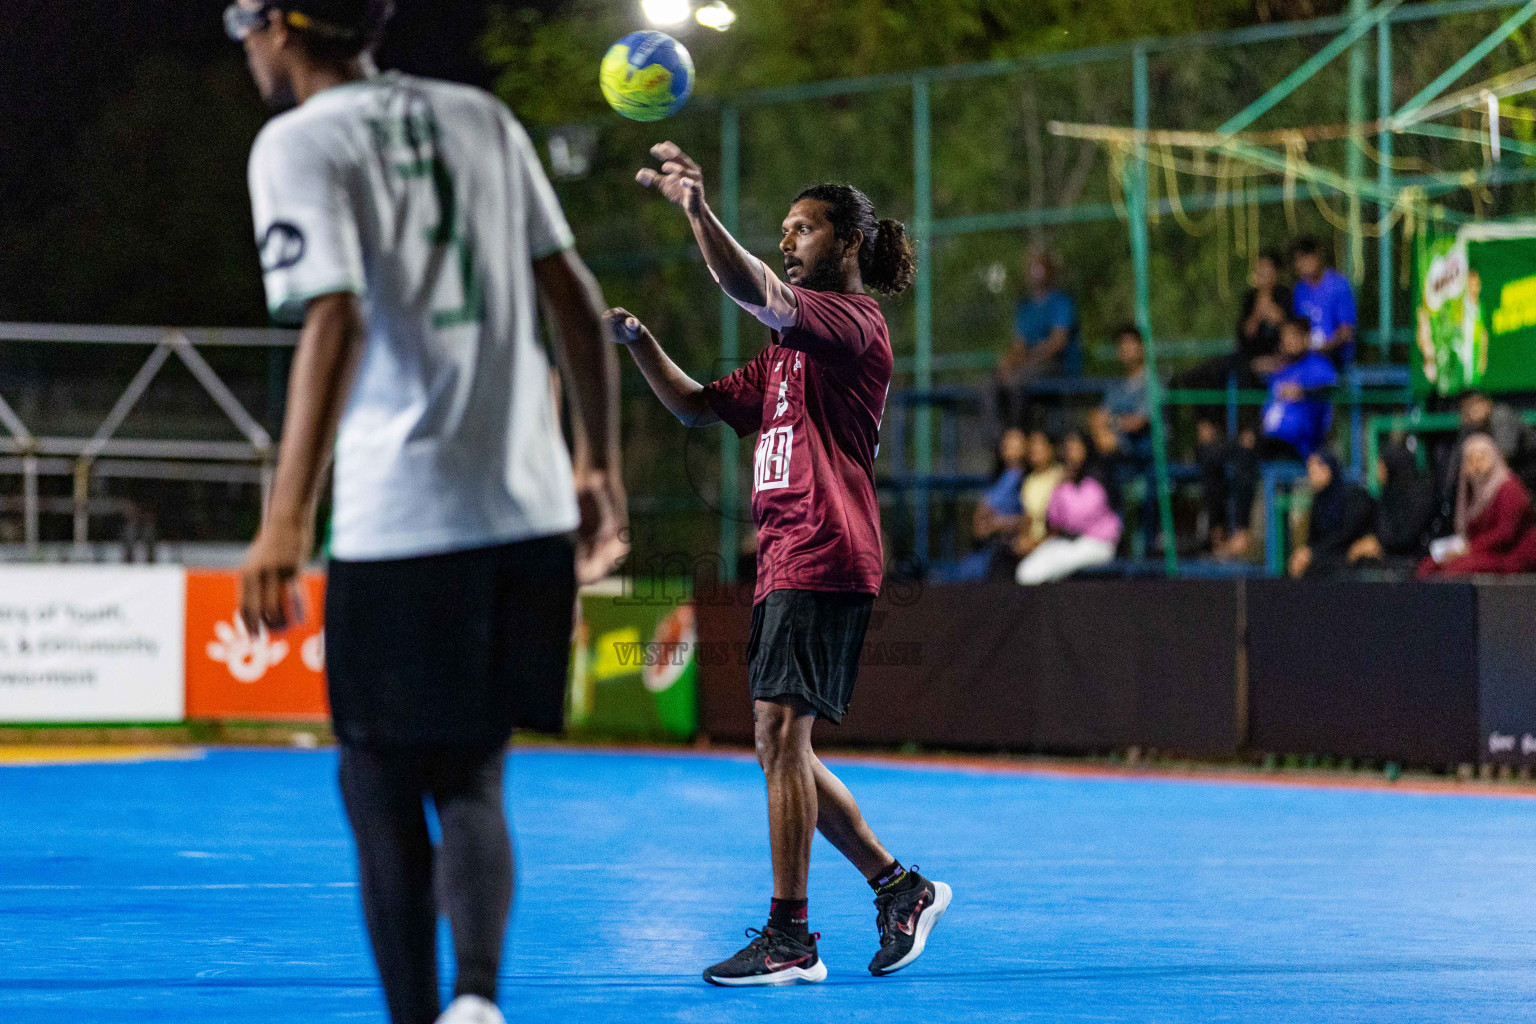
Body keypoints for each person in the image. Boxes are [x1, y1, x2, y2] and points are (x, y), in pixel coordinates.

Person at [228, 3, 628, 1023]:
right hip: (526, 509)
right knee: (476, 779)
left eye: (244, 19)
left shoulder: (298, 142)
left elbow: (338, 313)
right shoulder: (480, 117)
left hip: (403, 516)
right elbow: (575, 299)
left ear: (282, 26)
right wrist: (598, 464)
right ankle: (479, 1002)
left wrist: (285, 517)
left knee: (375, 782)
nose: (243, 44)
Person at [609, 144, 950, 984]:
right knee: (776, 744)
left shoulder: (850, 325)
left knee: (782, 733)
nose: (791, 238)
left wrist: (696, 209)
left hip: (826, 549)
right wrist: (641, 343)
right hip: (785, 556)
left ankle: (792, 936)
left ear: (846, 244)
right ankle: (898, 886)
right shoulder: (783, 358)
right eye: (787, 228)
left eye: (806, 228)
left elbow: (754, 289)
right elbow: (695, 407)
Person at [1201, 316, 1337, 559]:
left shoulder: (1318, 366)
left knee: (1245, 454)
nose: (1288, 342)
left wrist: (1304, 392)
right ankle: (1216, 530)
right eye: (1285, 338)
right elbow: (1268, 412)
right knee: (1211, 452)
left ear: (1306, 338)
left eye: (1294, 337)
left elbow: (1332, 390)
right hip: (1267, 440)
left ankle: (1242, 534)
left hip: (1296, 444)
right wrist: (1252, 431)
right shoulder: (1281, 371)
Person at [1171, 251, 1290, 427]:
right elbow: (1243, 335)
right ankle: (1208, 424)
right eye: (1259, 268)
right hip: (1246, 358)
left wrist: (1275, 318)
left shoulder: (1285, 296)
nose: (1262, 272)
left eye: (1266, 267)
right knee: (1197, 376)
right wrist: (1257, 315)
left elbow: (1291, 334)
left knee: (1243, 382)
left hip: (1273, 361)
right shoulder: (1250, 298)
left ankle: (1247, 432)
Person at [1420, 433, 1536, 578]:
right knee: (1429, 565)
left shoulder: (1509, 489)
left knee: (1455, 569)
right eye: (1471, 460)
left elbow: (1505, 535)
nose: (1476, 465)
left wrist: (1468, 549)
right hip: (1481, 551)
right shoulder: (1470, 492)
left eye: (1482, 458)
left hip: (1509, 556)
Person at [1016, 431, 1122, 584]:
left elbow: (1078, 518)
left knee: (1038, 572)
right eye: (1069, 450)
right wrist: (1060, 487)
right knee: (1026, 571)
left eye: (1076, 449)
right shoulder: (1063, 482)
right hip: (1068, 543)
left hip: (1098, 543)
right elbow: (1053, 518)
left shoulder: (1098, 477)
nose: (1072, 455)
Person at [994, 250, 1081, 429]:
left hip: (1057, 366)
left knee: (1018, 382)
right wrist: (1009, 361)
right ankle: (998, 441)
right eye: (1032, 268)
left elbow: (1058, 342)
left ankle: (1018, 434)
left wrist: (1028, 359)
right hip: (1029, 365)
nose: (1035, 274)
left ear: (1049, 271)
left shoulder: (1061, 301)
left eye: (1039, 268)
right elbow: (1019, 344)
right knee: (992, 383)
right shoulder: (1025, 306)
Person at [952, 428, 1028, 581]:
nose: (1010, 446)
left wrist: (999, 524)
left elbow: (1028, 518)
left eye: (1015, 442)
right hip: (984, 549)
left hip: (1007, 550)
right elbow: (980, 518)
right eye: (1007, 441)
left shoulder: (1026, 480)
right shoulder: (998, 478)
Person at [1288, 449, 1376, 578]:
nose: (1311, 476)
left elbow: (1345, 534)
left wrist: (1313, 553)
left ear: (1328, 469)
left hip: (1350, 556)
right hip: (1327, 556)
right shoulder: (1319, 501)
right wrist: (1305, 554)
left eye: (1314, 470)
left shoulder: (1353, 496)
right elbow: (1314, 538)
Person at [1290, 235, 1357, 366]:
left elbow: (1346, 332)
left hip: (1334, 359)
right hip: (1304, 357)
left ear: (1318, 255)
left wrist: (1326, 346)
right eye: (1298, 260)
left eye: (1305, 258)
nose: (1302, 264)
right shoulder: (1300, 290)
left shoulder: (1339, 286)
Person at [1089, 325, 1151, 463]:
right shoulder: (1116, 386)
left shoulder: (1153, 383)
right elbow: (1098, 416)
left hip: (1142, 453)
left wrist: (1110, 422)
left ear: (1142, 347)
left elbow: (1138, 422)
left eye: (1130, 342)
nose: (1126, 348)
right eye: (1122, 343)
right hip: (1115, 451)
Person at [1371, 440, 1437, 564]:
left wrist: (1381, 544)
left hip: (1416, 561)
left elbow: (1406, 537)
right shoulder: (1387, 494)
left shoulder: (1420, 494)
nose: (1377, 471)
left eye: (1381, 466)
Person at [1014, 428, 1064, 559]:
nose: (1035, 449)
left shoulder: (1061, 476)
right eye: (1032, 444)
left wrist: (1039, 544)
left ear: (1051, 448)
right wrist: (1024, 540)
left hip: (1054, 543)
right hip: (1033, 545)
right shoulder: (1028, 482)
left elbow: (1060, 521)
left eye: (1039, 444)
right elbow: (1028, 518)